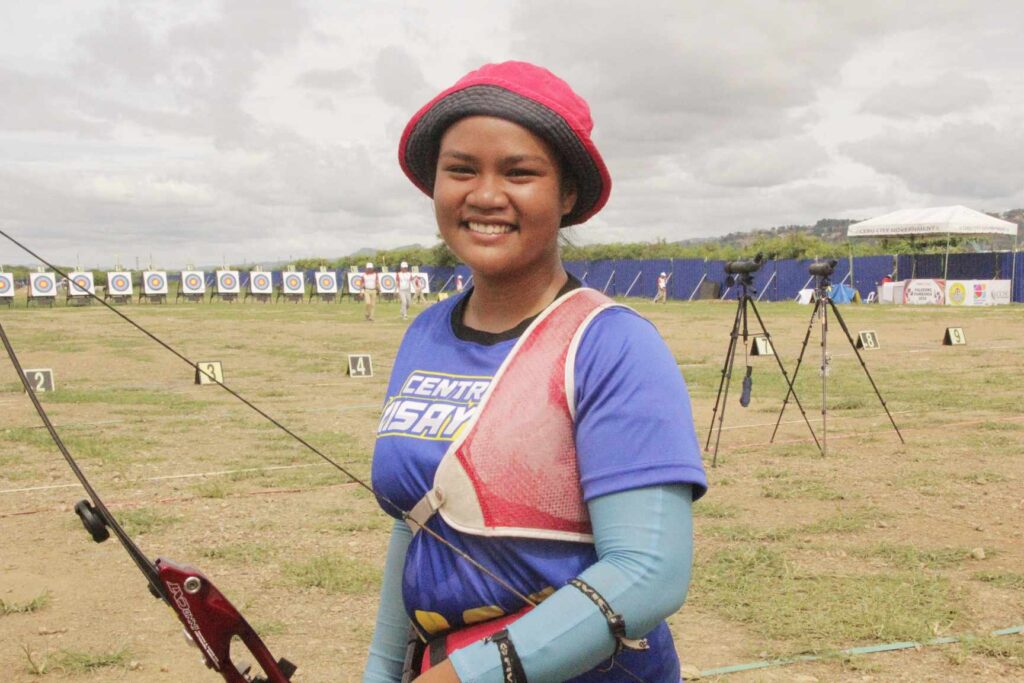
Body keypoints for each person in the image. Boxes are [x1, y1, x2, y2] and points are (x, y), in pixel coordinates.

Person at [366, 61, 707, 683]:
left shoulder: (612, 344)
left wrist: (470, 676)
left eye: (520, 172)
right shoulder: (424, 332)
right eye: (460, 169)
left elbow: (647, 573)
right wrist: (383, 670)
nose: (486, 195)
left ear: (566, 195)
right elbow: (417, 522)